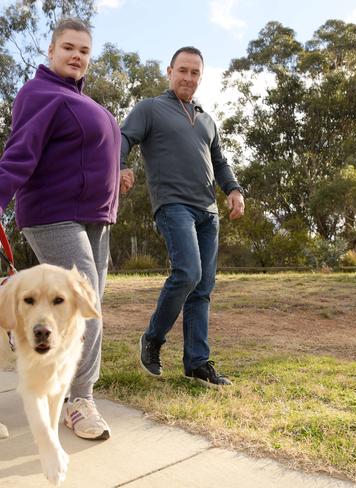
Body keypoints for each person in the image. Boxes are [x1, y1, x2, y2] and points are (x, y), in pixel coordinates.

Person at [0, 18, 129, 440]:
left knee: (84, 310)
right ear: (51, 51)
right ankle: (79, 401)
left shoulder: (78, 98)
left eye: (84, 51)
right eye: (69, 48)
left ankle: (61, 386)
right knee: (84, 305)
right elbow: (22, 150)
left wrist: (116, 174)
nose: (77, 56)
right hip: (56, 214)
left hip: (95, 216)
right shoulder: (40, 92)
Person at [120, 46, 244, 387]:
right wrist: (119, 166)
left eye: (195, 73)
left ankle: (197, 363)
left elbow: (219, 161)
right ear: (169, 71)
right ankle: (154, 339)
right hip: (173, 206)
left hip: (208, 211)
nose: (188, 78)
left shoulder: (206, 119)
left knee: (203, 288)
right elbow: (123, 138)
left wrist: (233, 189)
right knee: (188, 272)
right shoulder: (150, 109)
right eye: (183, 71)